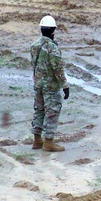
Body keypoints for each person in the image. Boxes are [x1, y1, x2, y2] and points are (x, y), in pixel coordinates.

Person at [30, 14, 69, 152]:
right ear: (53, 30)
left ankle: (37, 140)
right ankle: (49, 142)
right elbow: (58, 69)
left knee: (39, 110)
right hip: (51, 87)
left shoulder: (34, 45)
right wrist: (65, 86)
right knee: (52, 112)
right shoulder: (52, 48)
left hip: (38, 84)